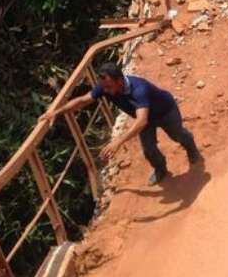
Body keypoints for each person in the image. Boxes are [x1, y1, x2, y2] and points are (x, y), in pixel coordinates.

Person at [42, 63, 202, 185]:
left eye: (109, 86)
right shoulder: (105, 87)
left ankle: (192, 149)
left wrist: (117, 142)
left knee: (178, 135)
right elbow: (83, 100)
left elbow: (141, 121)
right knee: (149, 149)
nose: (106, 91)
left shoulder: (139, 89)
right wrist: (55, 113)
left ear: (119, 81)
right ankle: (161, 169)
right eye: (104, 87)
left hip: (165, 111)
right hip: (146, 118)